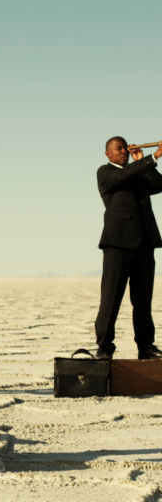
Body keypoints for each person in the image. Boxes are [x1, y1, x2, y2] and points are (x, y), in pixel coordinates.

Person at [95, 137, 162, 360]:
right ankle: (104, 347)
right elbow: (122, 176)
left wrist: (146, 162)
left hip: (145, 243)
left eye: (125, 148)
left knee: (143, 301)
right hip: (117, 244)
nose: (124, 151)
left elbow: (158, 185)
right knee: (111, 298)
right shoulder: (105, 172)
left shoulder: (139, 171)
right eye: (119, 148)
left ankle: (146, 347)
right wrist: (153, 156)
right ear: (108, 154)